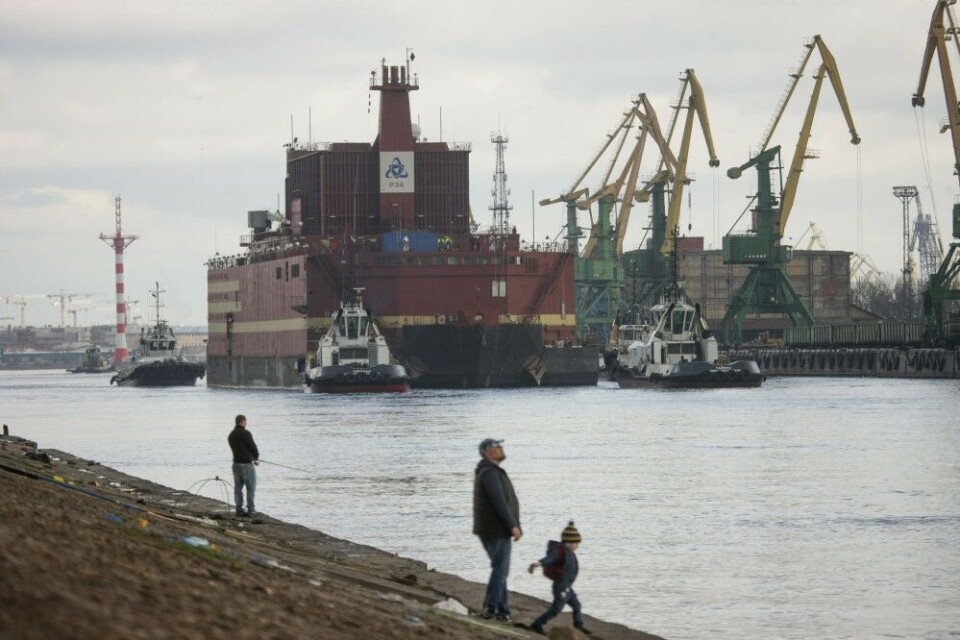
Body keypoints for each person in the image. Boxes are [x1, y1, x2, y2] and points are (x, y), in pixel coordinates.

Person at [473, 437, 522, 622]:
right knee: (500, 570)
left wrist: (515, 525)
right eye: (496, 446)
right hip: (496, 530)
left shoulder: (491, 471)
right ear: (487, 452)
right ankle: (491, 608)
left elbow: (505, 502)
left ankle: (503, 612)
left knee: (501, 570)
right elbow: (499, 503)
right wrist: (512, 526)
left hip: (495, 529)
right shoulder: (489, 473)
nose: (501, 448)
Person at [527, 521, 589, 635]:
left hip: (567, 587)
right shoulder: (560, 551)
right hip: (561, 587)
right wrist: (539, 564)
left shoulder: (568, 551)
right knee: (556, 609)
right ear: (569, 542)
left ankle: (578, 626)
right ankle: (537, 624)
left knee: (577, 605)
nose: (577, 546)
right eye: (576, 543)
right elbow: (550, 558)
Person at [227, 414, 259, 516]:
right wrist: (255, 457)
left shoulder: (231, 435)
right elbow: (253, 447)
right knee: (251, 488)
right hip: (246, 465)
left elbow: (240, 448)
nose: (246, 423)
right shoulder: (246, 433)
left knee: (238, 489)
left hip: (236, 464)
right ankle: (251, 509)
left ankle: (239, 510)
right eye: (245, 421)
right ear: (242, 421)